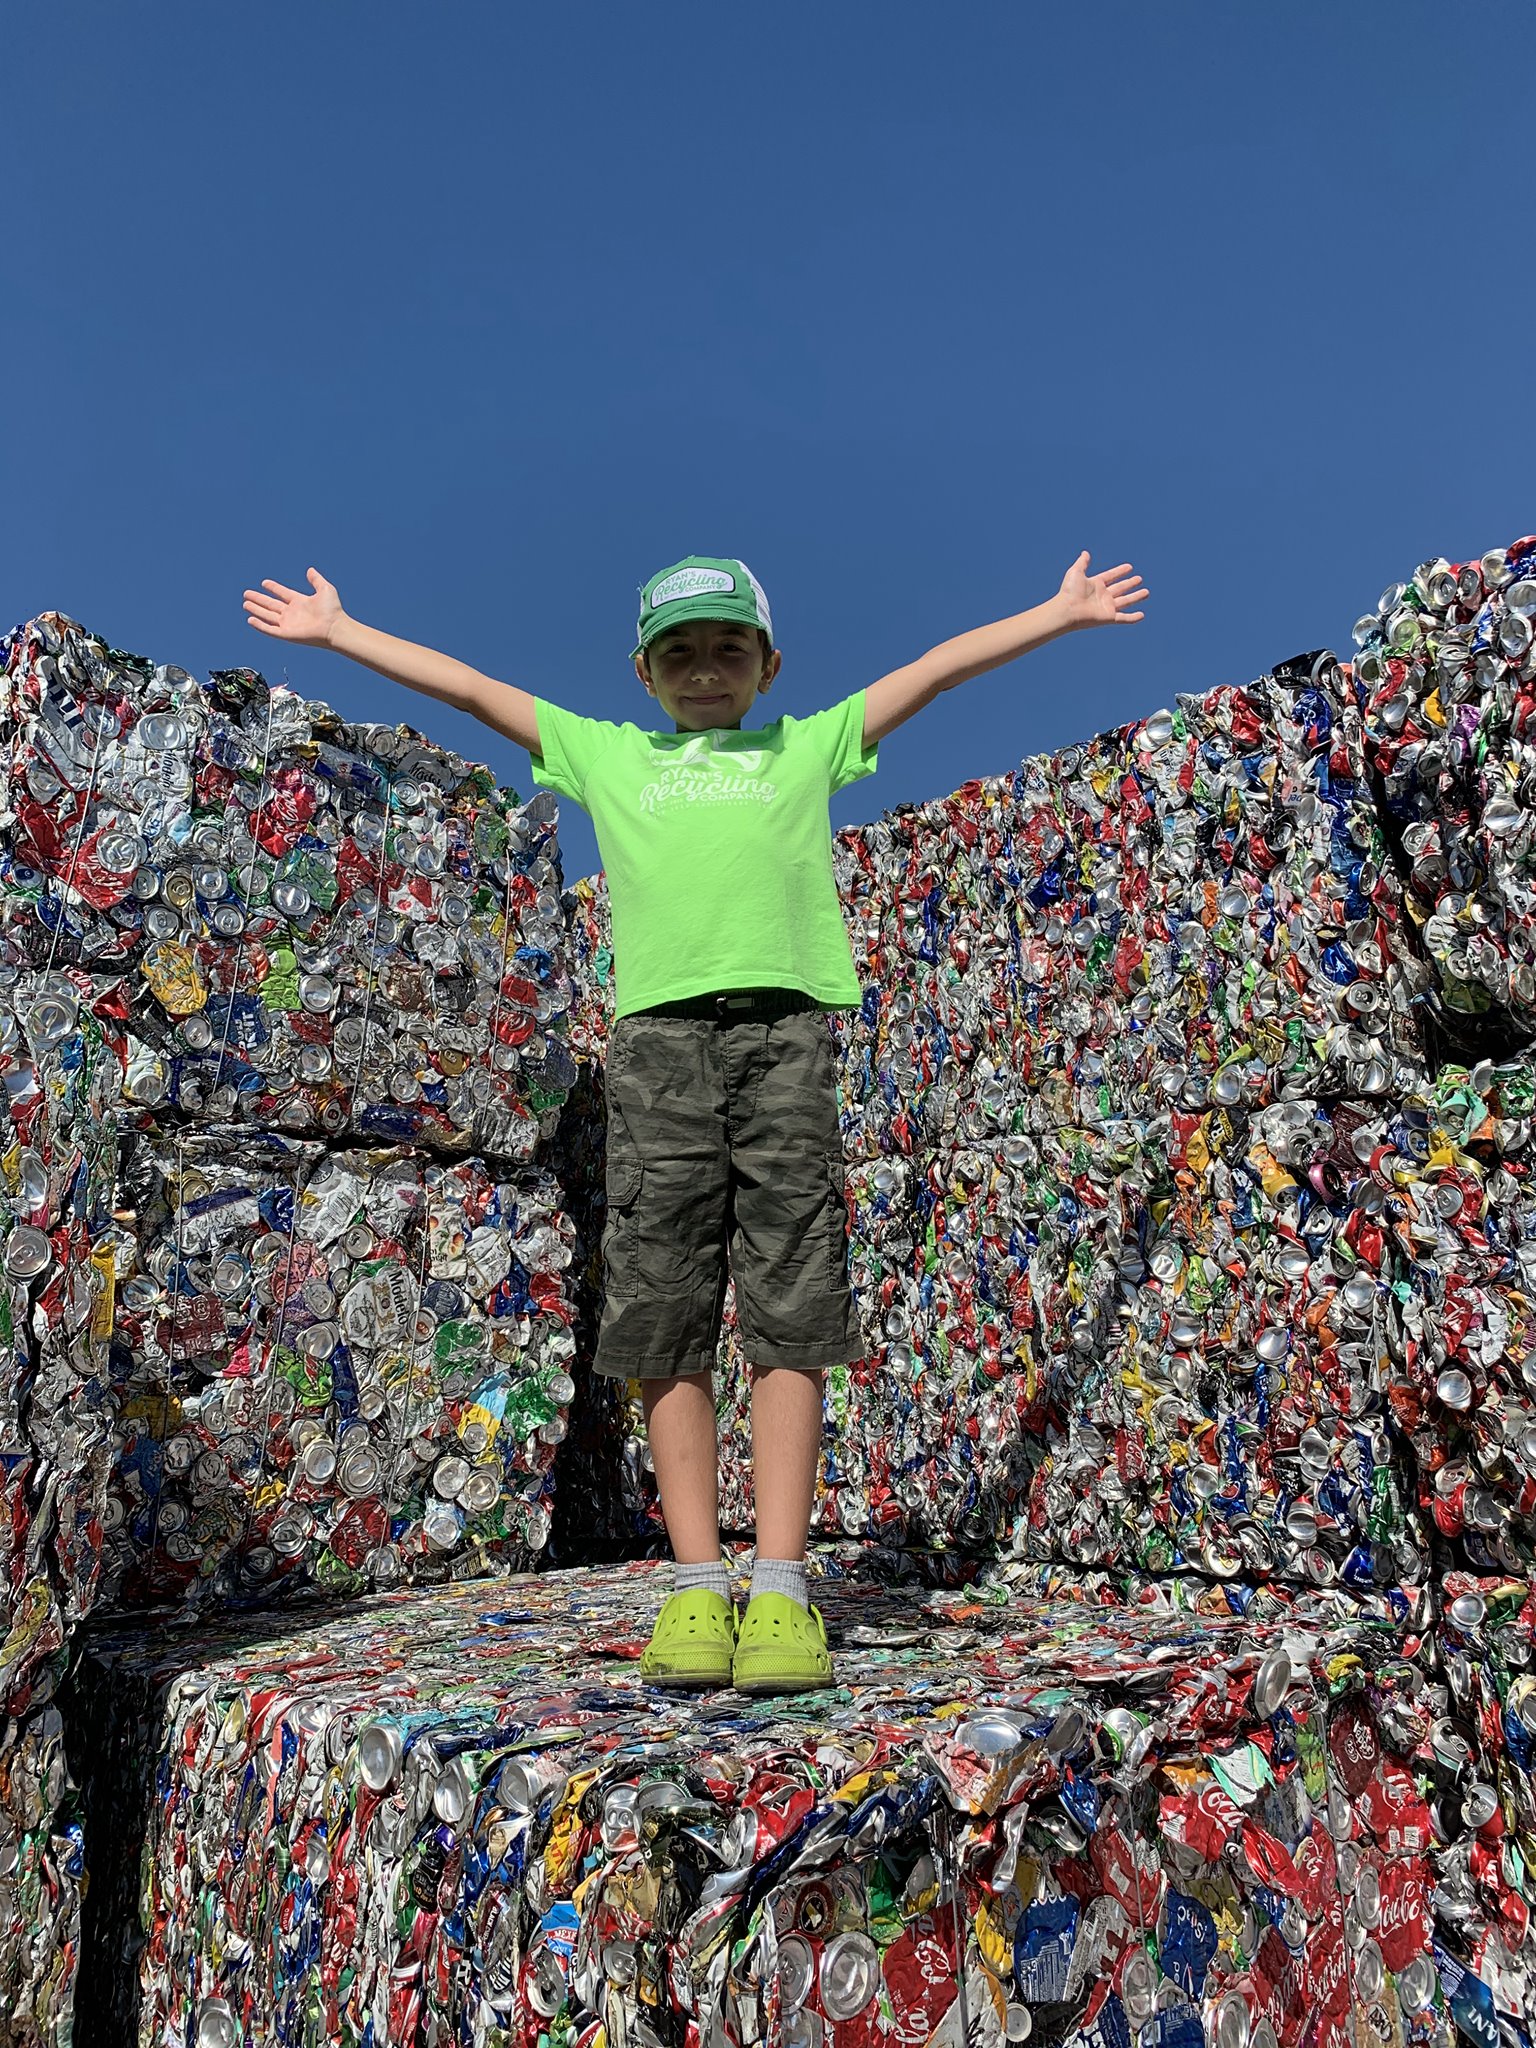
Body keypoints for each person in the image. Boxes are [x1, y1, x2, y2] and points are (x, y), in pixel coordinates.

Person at [242, 548, 1148, 1691]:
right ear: (643, 671)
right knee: (662, 1295)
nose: (705, 668)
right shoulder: (609, 754)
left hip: (784, 1039)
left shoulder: (806, 744)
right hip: (659, 1048)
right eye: (680, 650)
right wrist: (342, 631)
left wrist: (1056, 613)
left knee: (793, 1292)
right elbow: (471, 687)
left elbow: (933, 671)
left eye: (729, 647)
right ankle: (691, 1584)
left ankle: (778, 1586)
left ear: (769, 665)